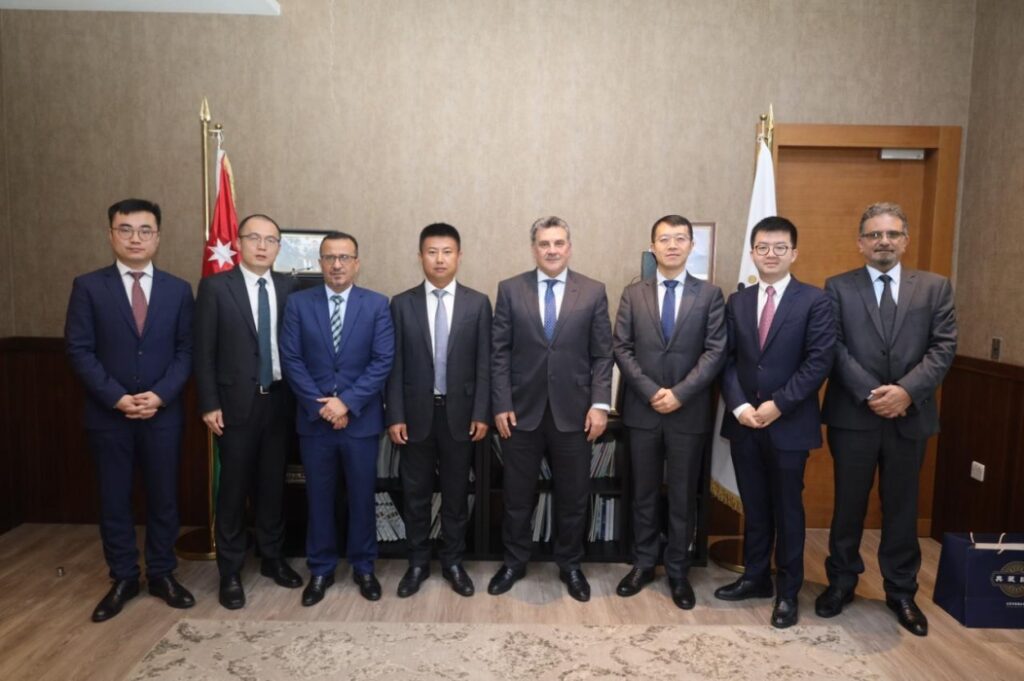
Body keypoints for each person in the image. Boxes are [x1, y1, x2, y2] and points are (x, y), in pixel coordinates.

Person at [817, 202, 957, 637]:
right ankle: (841, 582)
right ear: (860, 243)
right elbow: (833, 345)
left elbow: (943, 347)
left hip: (909, 417)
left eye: (892, 234)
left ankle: (901, 591)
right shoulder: (837, 287)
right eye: (874, 235)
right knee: (848, 506)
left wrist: (906, 392)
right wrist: (872, 393)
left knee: (901, 507)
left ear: (905, 240)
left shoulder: (934, 287)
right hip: (853, 416)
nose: (884, 241)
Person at [65, 198, 195, 622]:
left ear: (158, 236)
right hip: (109, 416)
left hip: (163, 415)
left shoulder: (178, 290)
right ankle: (122, 577)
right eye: (126, 229)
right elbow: (79, 350)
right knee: (114, 499)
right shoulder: (88, 287)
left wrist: (160, 395)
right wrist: (116, 397)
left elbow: (186, 351)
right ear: (111, 235)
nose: (135, 238)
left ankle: (161, 574)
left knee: (164, 499)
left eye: (145, 230)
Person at [714, 216, 835, 627]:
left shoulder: (814, 301)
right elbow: (727, 360)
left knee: (788, 510)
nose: (770, 254)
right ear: (752, 253)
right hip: (744, 423)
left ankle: (788, 591)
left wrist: (778, 405)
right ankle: (755, 578)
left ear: (794, 253)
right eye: (763, 247)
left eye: (780, 247)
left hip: (789, 424)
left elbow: (818, 361)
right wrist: (739, 407)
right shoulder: (738, 301)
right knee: (755, 506)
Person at [488, 216, 613, 602]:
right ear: (534, 249)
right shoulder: (510, 289)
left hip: (575, 414)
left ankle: (570, 565)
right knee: (517, 496)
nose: (552, 250)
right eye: (544, 244)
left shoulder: (592, 291)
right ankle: (514, 562)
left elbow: (602, 354)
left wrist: (600, 405)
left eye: (559, 243)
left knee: (573, 496)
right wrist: (501, 403)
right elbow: (499, 352)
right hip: (520, 413)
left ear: (569, 247)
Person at [612, 215, 726, 610]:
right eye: (664, 239)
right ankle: (644, 563)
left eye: (680, 239)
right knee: (643, 493)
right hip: (642, 412)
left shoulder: (710, 295)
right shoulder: (633, 294)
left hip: (688, 413)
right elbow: (621, 347)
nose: (672, 245)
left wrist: (680, 394)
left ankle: (678, 570)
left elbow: (715, 351)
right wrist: (649, 391)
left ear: (691, 245)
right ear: (653, 246)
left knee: (682, 496)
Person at [193, 213, 303, 610]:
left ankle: (272, 558)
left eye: (270, 240)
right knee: (234, 489)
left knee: (273, 485)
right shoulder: (215, 288)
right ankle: (230, 571)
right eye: (254, 238)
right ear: (238, 243)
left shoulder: (290, 288)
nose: (261, 245)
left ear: (278, 247)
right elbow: (203, 350)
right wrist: (209, 403)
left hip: (279, 401)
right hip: (234, 406)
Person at [279, 231, 395, 606]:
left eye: (345, 257)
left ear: (357, 263)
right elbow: (292, 359)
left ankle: (364, 567)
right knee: (319, 498)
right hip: (315, 423)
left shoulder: (377, 304)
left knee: (361, 497)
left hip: (360, 422)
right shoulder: (298, 304)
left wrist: (345, 403)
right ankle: (321, 568)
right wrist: (322, 408)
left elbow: (382, 361)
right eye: (330, 257)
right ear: (320, 263)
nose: (337, 264)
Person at [386, 223, 491, 598]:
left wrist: (481, 412)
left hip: (461, 417)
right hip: (415, 416)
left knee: (456, 494)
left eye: (447, 252)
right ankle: (417, 563)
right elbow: (394, 365)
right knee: (415, 494)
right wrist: (395, 415)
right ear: (420, 257)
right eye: (432, 252)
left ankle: (453, 562)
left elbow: (485, 364)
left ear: (459, 256)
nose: (440, 259)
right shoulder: (402, 304)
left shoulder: (478, 303)